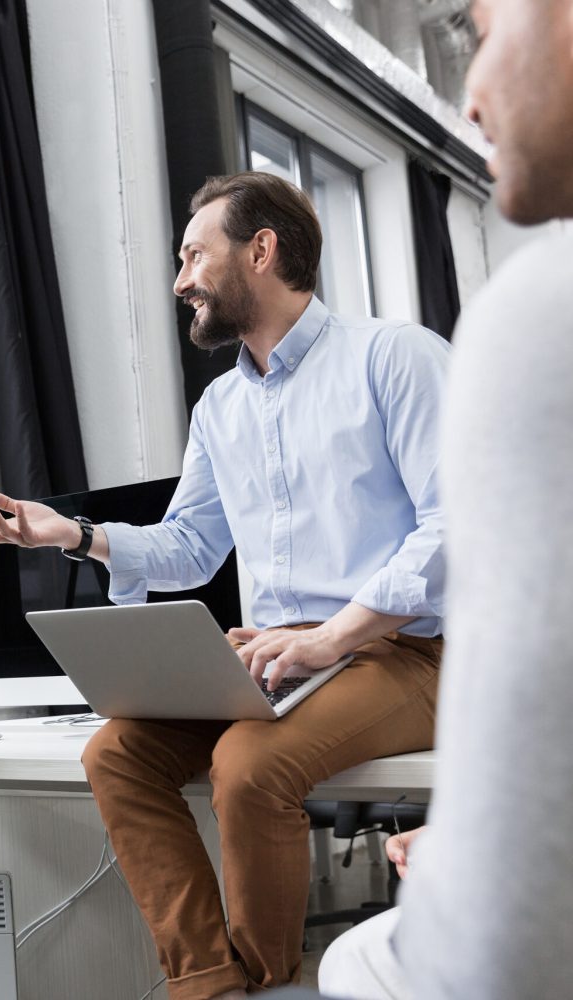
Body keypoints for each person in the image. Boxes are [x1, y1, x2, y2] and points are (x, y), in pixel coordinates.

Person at [0, 170, 449, 999]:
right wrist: (74, 534)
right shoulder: (221, 408)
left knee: (249, 767)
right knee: (115, 753)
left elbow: (454, 526)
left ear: (261, 251)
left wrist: (328, 637)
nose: (181, 279)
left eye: (194, 255)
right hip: (278, 658)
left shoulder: (393, 356)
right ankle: (212, 986)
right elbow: (190, 548)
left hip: (403, 652)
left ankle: (263, 983)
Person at [316, 0, 573, 997]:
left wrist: (474, 863)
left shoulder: (530, 321)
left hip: (387, 649)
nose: (466, 99)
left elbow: (497, 959)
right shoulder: (219, 412)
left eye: (476, 29)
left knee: (346, 955)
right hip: (303, 648)